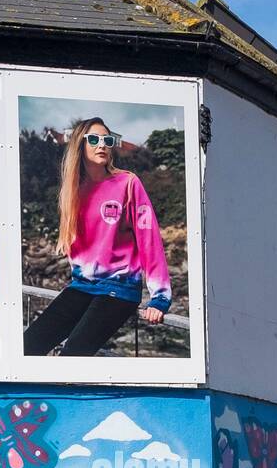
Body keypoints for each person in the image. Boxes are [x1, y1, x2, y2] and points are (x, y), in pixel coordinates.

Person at [23, 117, 171, 357]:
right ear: (80, 145)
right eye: (94, 139)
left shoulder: (128, 183)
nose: (101, 144)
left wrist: (159, 298)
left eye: (107, 140)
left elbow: (149, 240)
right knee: (27, 347)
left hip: (119, 288)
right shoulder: (73, 190)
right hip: (82, 286)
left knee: (72, 357)